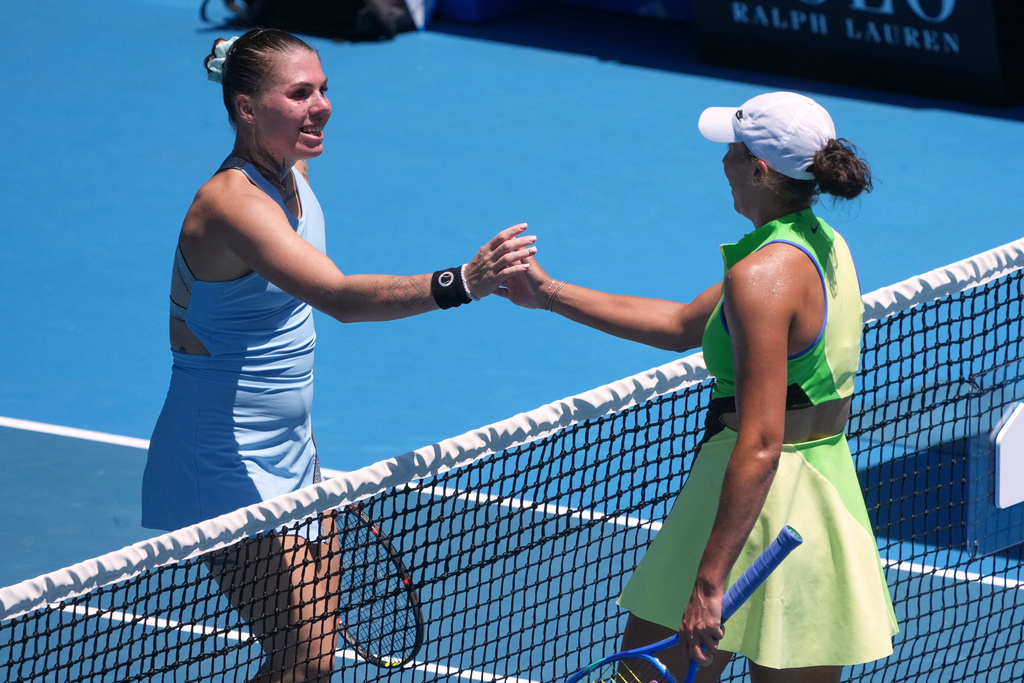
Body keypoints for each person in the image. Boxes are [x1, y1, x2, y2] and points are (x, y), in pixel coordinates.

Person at [140, 28, 536, 683]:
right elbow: (341, 297)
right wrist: (463, 281)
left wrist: (237, 58)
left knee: (309, 663)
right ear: (245, 109)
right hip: (217, 451)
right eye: (300, 93)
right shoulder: (234, 204)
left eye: (323, 88)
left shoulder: (289, 166)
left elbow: (249, 80)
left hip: (294, 445)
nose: (321, 105)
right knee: (308, 656)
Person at [499, 92, 898, 682]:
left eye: (733, 152)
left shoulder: (760, 276)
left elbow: (762, 440)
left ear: (760, 170)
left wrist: (709, 583)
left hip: (741, 497)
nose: (723, 163)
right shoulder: (819, 243)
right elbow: (682, 325)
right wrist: (549, 293)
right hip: (821, 500)